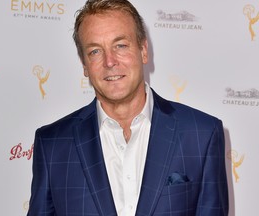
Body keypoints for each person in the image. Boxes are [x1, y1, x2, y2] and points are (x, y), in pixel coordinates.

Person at [27, 0, 229, 215]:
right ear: (84, 65)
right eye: (95, 51)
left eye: (120, 45)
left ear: (143, 50)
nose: (110, 61)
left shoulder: (201, 134)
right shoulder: (52, 144)